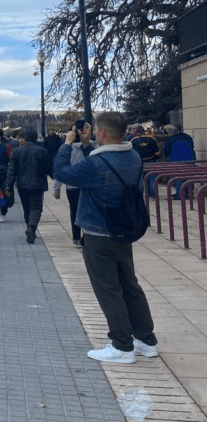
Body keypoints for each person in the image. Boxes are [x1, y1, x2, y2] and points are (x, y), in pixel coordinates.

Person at [52, 111, 157, 363]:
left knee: (108, 288)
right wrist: (87, 144)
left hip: (98, 233)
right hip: (124, 229)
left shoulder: (96, 164)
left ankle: (122, 345)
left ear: (101, 133)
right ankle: (146, 340)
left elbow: (61, 172)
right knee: (129, 285)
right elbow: (103, 162)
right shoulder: (133, 155)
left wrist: (67, 144)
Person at [52, 121, 97, 247]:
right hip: (88, 184)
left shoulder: (67, 148)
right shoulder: (93, 146)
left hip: (72, 185)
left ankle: (76, 237)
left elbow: (60, 169)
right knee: (90, 210)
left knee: (74, 211)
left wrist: (56, 189)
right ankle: (86, 236)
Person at [6, 128, 52, 244]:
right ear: (36, 138)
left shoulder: (17, 151)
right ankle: (31, 228)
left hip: (22, 184)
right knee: (36, 207)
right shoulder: (42, 151)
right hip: (38, 184)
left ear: (25, 138)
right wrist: (57, 179)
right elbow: (49, 168)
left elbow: (12, 170)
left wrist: (8, 186)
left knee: (26, 207)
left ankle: (29, 227)